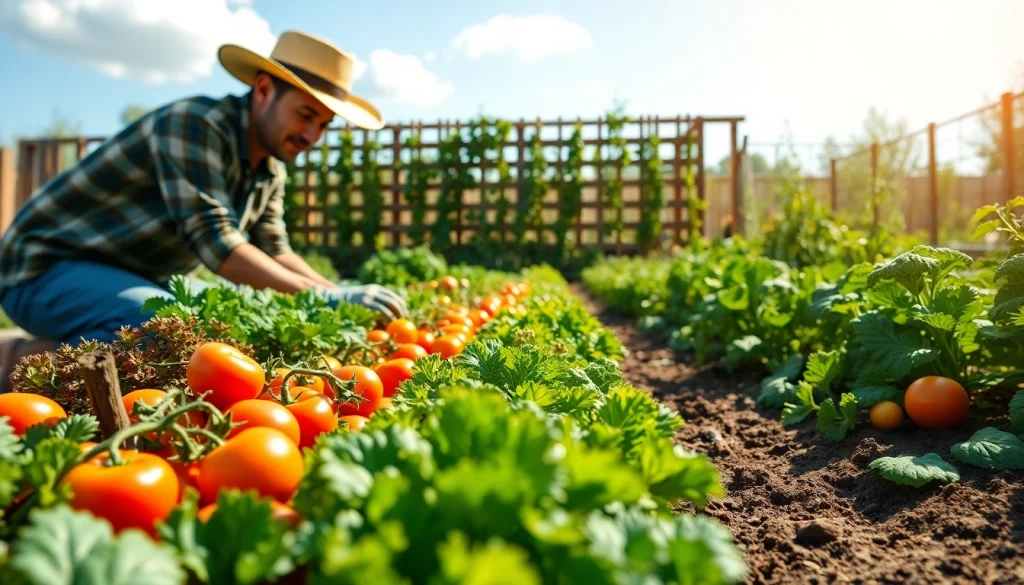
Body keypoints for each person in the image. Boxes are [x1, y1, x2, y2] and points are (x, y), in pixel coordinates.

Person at [0, 31, 408, 391]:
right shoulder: (195, 124)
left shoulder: (269, 169)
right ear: (263, 90)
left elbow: (274, 251)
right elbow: (219, 245)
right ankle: (15, 361)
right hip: (40, 270)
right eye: (305, 115)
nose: (311, 135)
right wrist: (324, 301)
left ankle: (60, 352)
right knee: (165, 334)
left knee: (219, 325)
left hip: (131, 275)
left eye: (324, 124)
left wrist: (339, 295)